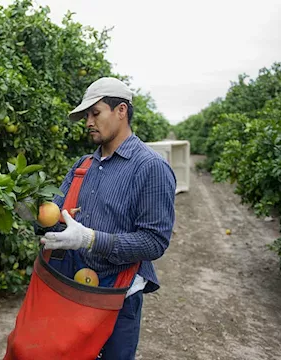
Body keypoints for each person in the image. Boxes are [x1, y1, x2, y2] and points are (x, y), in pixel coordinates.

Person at [37, 77, 177, 359]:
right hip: (74, 289)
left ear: (121, 111)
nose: (88, 121)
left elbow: (154, 242)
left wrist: (90, 239)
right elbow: (54, 215)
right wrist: (29, 210)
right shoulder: (83, 166)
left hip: (118, 297)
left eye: (95, 113)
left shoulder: (151, 168)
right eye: (86, 115)